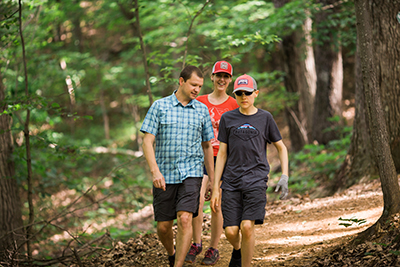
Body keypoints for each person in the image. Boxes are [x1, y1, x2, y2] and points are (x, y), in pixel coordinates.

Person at [210, 74, 289, 267]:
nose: (244, 97)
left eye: (247, 93)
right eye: (239, 94)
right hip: (231, 181)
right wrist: (215, 187)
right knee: (230, 231)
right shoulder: (228, 118)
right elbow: (221, 154)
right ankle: (237, 251)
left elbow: (281, 147)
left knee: (247, 227)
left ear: (256, 93)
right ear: (235, 95)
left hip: (256, 179)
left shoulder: (265, 118)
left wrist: (284, 176)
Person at [140, 65, 215, 267]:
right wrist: (155, 171)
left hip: (192, 173)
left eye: (200, 86)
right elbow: (147, 142)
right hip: (164, 174)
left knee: (184, 219)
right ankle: (172, 253)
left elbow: (207, 146)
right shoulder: (160, 106)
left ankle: (178, 264)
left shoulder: (201, 110)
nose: (197, 90)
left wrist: (212, 181)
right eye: (193, 85)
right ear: (181, 81)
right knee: (164, 227)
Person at [185, 61, 239, 265]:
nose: (222, 80)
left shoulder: (234, 104)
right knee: (197, 201)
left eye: (226, 77)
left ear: (230, 79)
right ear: (212, 77)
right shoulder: (199, 101)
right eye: (219, 76)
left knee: (216, 204)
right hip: (200, 157)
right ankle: (196, 243)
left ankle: (213, 248)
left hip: (223, 159)